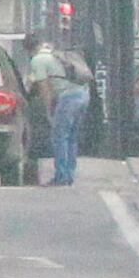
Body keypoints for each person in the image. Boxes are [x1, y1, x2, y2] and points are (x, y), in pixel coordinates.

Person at [48, 51, 93, 188]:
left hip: (67, 98)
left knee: (60, 136)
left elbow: (45, 88)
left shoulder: (39, 61)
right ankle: (69, 175)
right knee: (72, 137)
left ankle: (61, 176)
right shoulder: (65, 57)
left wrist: (48, 109)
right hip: (83, 94)